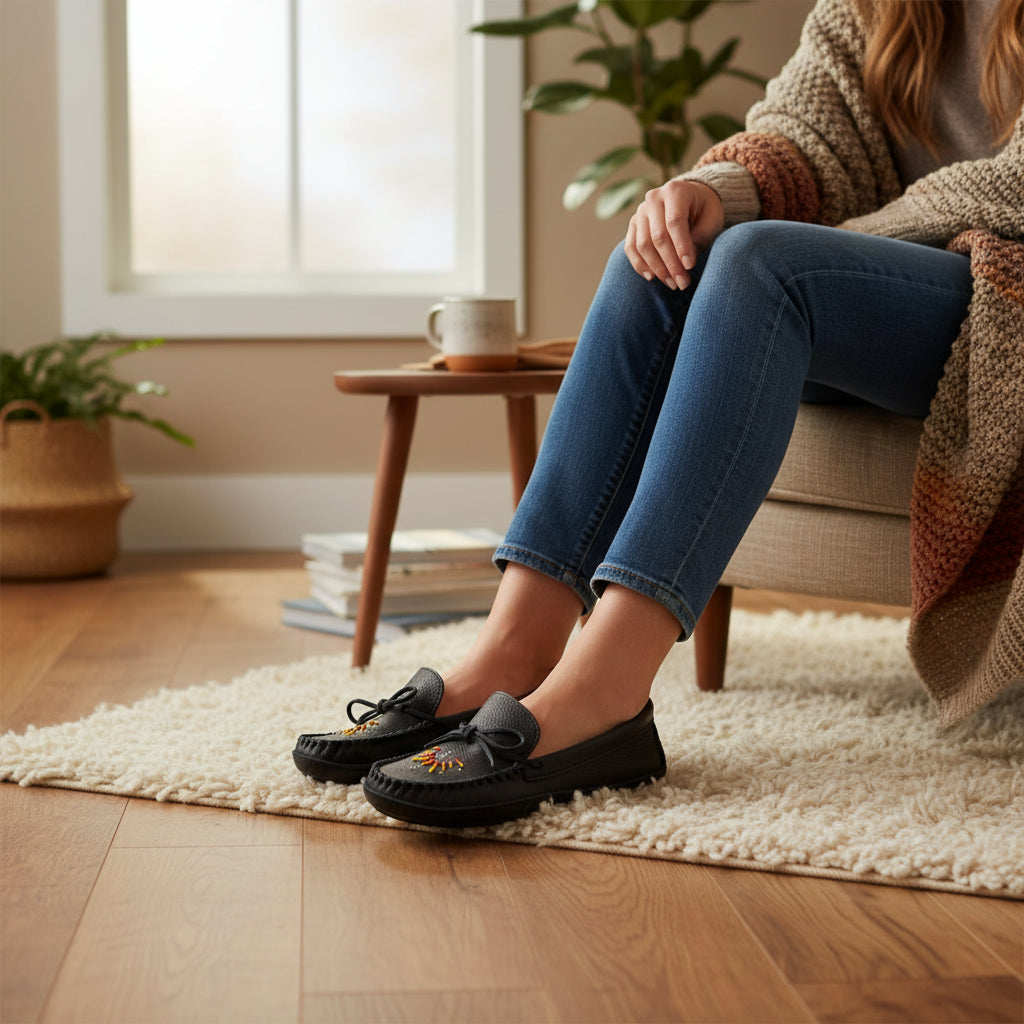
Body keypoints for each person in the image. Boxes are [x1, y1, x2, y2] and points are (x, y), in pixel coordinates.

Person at [294, 0, 1024, 828]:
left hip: (1007, 300)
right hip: (886, 297)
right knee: (661, 255)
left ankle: (608, 690)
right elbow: (807, 129)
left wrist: (850, 235)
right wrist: (708, 190)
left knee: (758, 262)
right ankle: (516, 647)